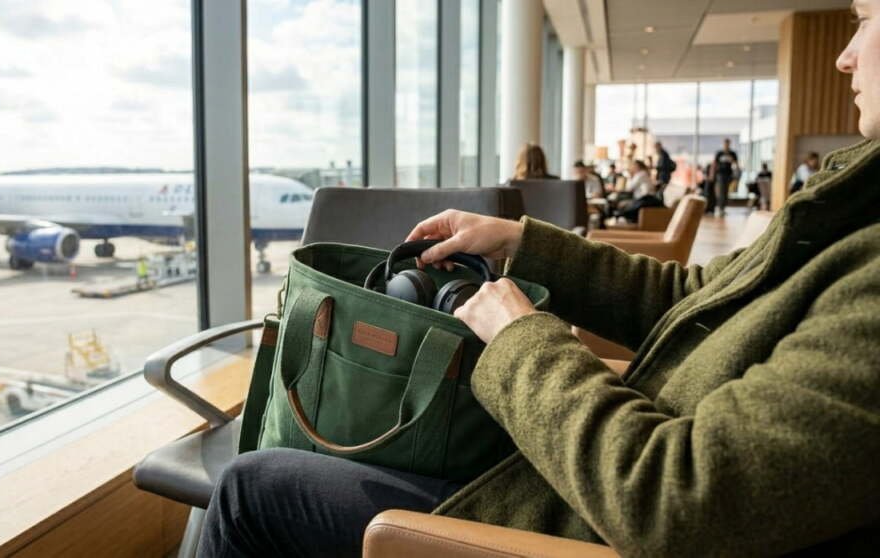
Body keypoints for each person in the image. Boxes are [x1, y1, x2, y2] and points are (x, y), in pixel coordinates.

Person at [199, 4, 880, 555]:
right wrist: (524, 244)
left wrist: (523, 340)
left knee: (251, 487)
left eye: (865, 19)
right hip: (581, 473)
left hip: (566, 517)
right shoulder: (855, 225)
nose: (844, 54)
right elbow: (696, 301)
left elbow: (685, 498)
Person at [709, 138, 739, 217]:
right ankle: (720, 208)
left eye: (728, 144)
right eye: (725, 144)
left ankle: (723, 208)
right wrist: (712, 175)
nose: (726, 145)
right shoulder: (719, 153)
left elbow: (736, 164)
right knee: (721, 191)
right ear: (723, 144)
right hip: (720, 174)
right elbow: (714, 164)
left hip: (729, 175)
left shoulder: (732, 153)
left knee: (726, 192)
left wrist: (737, 174)